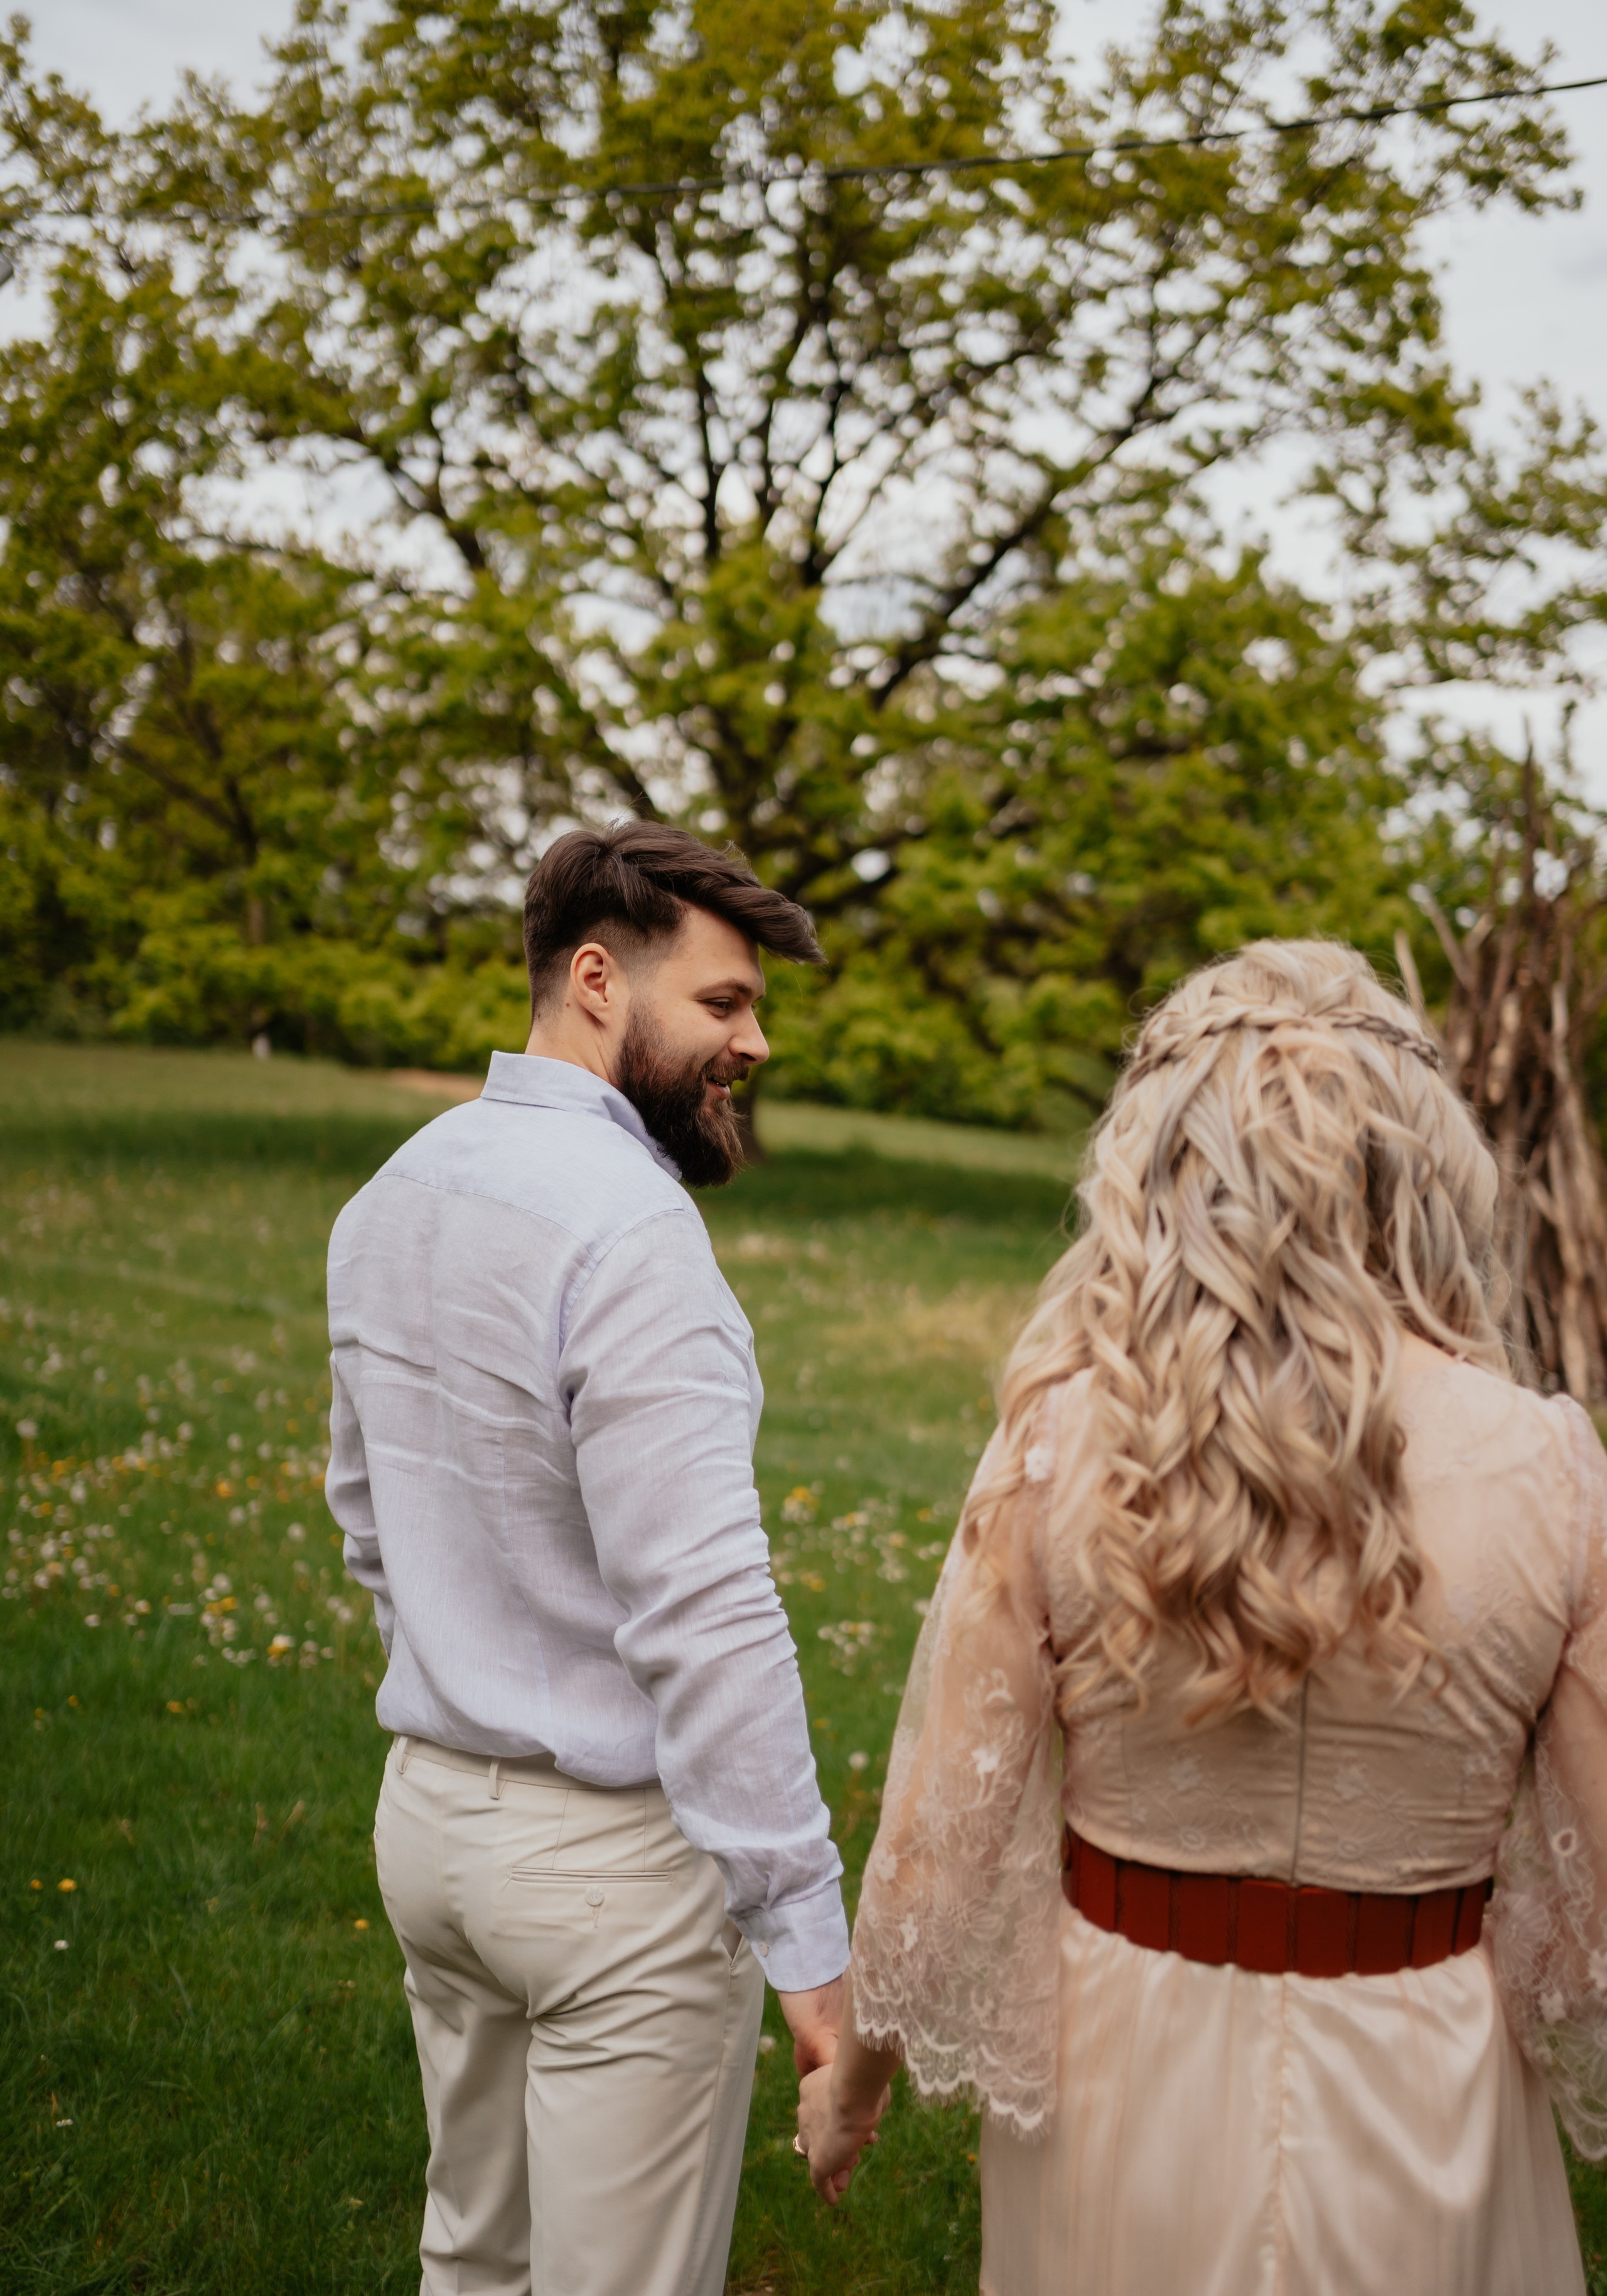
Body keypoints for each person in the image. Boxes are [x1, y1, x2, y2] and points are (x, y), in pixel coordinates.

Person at [796, 938, 1607, 2295]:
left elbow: (939, 1845)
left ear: (1158, 1167)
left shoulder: (1060, 1441)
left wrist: (851, 2089)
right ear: (1421, 1175)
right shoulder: (1549, 1466)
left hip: (1123, 2068)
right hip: (1428, 2077)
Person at [326, 819, 849, 2296]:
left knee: (470, 2257)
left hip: (427, 1832)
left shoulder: (393, 1191)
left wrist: (454, 1657)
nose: (751, 1043)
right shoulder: (633, 1234)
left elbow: (361, 1506)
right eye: (725, 1003)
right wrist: (809, 1951)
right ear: (600, 981)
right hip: (613, 1870)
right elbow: (705, 1615)